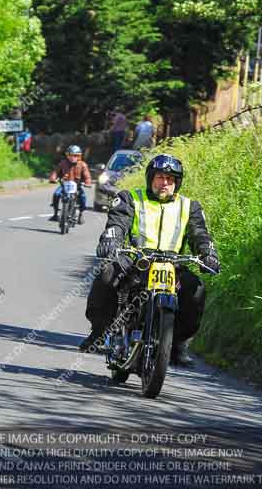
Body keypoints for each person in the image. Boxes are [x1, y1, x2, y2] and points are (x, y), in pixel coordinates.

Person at [79, 153, 220, 366]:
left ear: (177, 183)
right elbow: (117, 223)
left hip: (173, 263)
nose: (165, 183)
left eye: (170, 180)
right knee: (107, 274)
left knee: (196, 289)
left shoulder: (189, 207)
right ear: (150, 178)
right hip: (137, 258)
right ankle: (99, 330)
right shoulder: (130, 198)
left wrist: (208, 253)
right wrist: (111, 239)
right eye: (160, 178)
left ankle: (178, 344)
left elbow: (200, 235)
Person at [49, 145, 92, 222]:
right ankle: (55, 214)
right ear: (67, 155)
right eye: (70, 155)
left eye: (75, 155)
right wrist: (53, 178)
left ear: (79, 156)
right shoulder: (62, 163)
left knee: (83, 197)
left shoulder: (83, 165)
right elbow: (55, 171)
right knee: (56, 194)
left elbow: (87, 175)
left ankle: (81, 214)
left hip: (77, 186)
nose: (73, 157)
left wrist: (88, 182)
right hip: (64, 185)